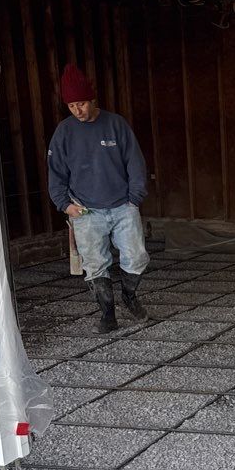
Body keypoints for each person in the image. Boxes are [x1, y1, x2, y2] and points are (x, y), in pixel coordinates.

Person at [47, 64, 150, 333]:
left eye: (81, 103)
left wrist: (134, 198)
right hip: (85, 210)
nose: (77, 111)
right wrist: (65, 204)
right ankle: (108, 313)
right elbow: (56, 171)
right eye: (71, 106)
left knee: (137, 256)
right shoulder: (64, 132)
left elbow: (135, 163)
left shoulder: (116, 124)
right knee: (94, 264)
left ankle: (129, 295)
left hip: (122, 205)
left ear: (92, 100)